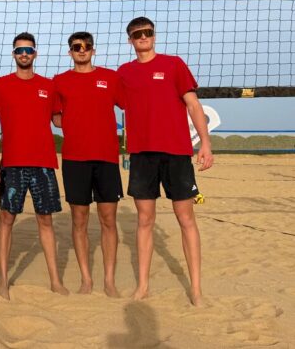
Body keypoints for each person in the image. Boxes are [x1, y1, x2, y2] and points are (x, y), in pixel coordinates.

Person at [118, 16, 213, 306]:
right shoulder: (124, 72)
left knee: (186, 218)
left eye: (147, 32)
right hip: (142, 154)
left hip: (176, 153)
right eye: (137, 34)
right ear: (130, 40)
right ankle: (143, 286)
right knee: (145, 220)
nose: (143, 37)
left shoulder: (173, 64)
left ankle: (196, 289)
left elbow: (193, 104)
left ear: (154, 35)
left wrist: (205, 144)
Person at [0, 32, 68, 299]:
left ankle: (55, 280)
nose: (24, 54)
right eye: (19, 50)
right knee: (6, 219)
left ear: (35, 53)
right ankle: (3, 280)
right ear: (13, 54)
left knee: (45, 220)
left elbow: (60, 121)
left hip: (43, 162)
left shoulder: (49, 86)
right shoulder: (0, 85)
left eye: (29, 50)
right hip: (12, 163)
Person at [53, 31, 124, 297]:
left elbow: (131, 103)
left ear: (93, 50)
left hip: (106, 157)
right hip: (75, 158)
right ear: (69, 52)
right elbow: (56, 118)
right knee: (79, 219)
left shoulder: (111, 78)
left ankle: (109, 280)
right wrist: (78, 125)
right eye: (76, 46)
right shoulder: (60, 81)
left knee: (108, 219)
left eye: (86, 46)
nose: (81, 50)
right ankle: (86, 279)